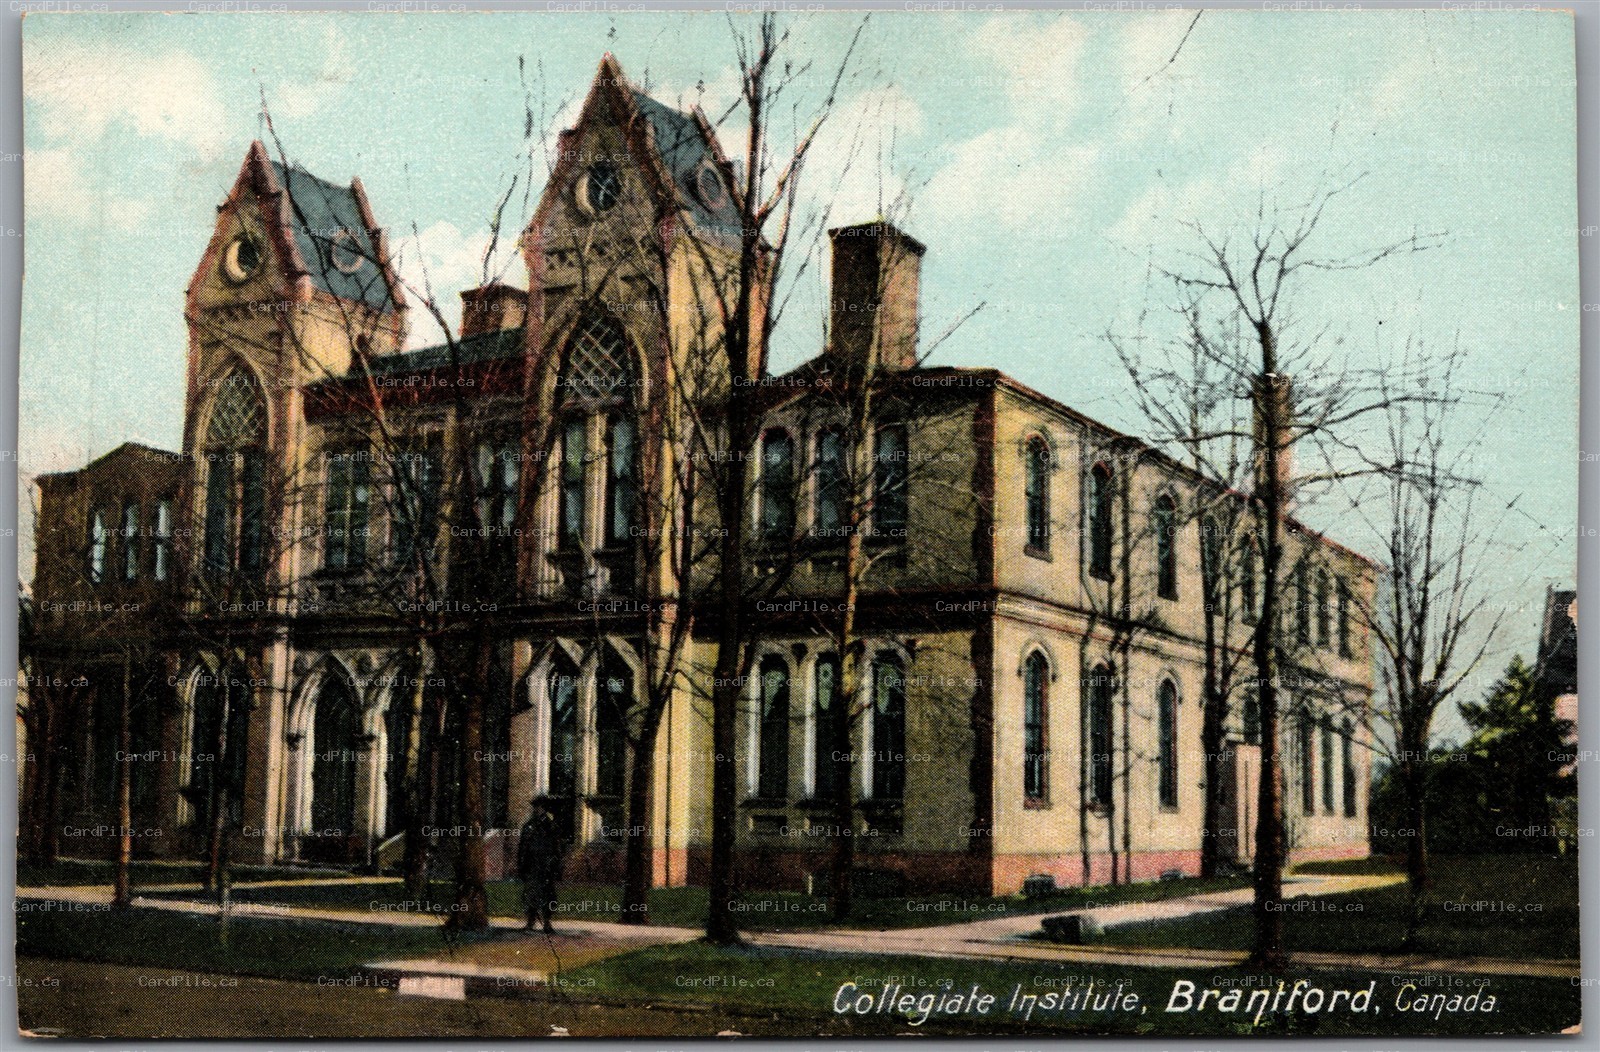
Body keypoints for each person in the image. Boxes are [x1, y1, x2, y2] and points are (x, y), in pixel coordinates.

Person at [517, 797, 565, 933]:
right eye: (535, 807)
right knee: (531, 894)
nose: (536, 810)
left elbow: (557, 848)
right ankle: (530, 922)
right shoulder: (529, 826)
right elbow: (523, 848)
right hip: (532, 866)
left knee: (548, 895)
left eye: (539, 807)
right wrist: (521, 865)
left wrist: (557, 866)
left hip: (547, 866)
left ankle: (547, 923)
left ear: (544, 808)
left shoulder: (551, 826)